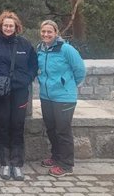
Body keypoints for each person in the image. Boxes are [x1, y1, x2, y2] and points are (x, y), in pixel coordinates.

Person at [0, 10, 38, 181]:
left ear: (16, 27)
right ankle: (5, 163)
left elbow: (33, 65)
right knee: (3, 125)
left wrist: (26, 79)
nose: (8, 28)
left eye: (11, 25)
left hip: (20, 91)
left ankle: (17, 164)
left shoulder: (25, 44)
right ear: (0, 26)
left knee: (17, 125)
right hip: (1, 92)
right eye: (5, 25)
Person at [36, 20, 86, 177]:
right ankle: (56, 156)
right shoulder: (40, 49)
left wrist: (69, 84)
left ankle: (66, 164)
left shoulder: (66, 49)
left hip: (64, 96)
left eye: (49, 31)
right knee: (51, 128)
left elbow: (80, 69)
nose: (46, 34)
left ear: (56, 33)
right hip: (46, 95)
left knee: (63, 130)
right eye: (43, 31)